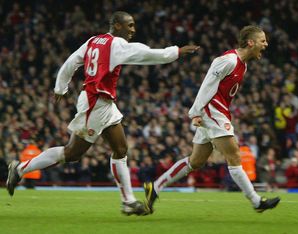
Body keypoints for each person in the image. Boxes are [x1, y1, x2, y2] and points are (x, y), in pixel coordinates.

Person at [6, 11, 199, 216]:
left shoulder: (93, 41)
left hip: (103, 102)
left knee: (121, 149)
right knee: (72, 153)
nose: (133, 30)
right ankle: (20, 169)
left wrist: (60, 88)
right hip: (95, 102)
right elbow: (147, 54)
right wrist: (176, 52)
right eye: (130, 25)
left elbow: (71, 62)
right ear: (117, 25)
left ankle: (128, 201)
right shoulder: (117, 45)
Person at [144, 25, 280, 213]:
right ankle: (257, 202)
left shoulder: (243, 65)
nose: (266, 44)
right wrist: (196, 112)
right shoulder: (228, 60)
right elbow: (207, 84)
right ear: (251, 42)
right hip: (211, 111)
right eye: (262, 40)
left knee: (196, 161)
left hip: (216, 111)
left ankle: (155, 187)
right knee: (234, 155)